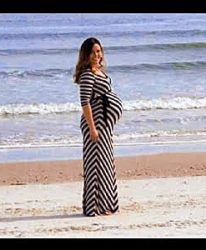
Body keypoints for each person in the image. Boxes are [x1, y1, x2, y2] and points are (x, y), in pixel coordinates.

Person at [74, 37, 123, 216]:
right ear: (86, 55)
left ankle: (106, 205)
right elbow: (85, 103)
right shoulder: (87, 74)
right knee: (96, 164)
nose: (97, 55)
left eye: (99, 51)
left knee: (106, 164)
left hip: (105, 124)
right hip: (95, 124)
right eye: (94, 52)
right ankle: (94, 206)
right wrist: (93, 128)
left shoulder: (99, 71)